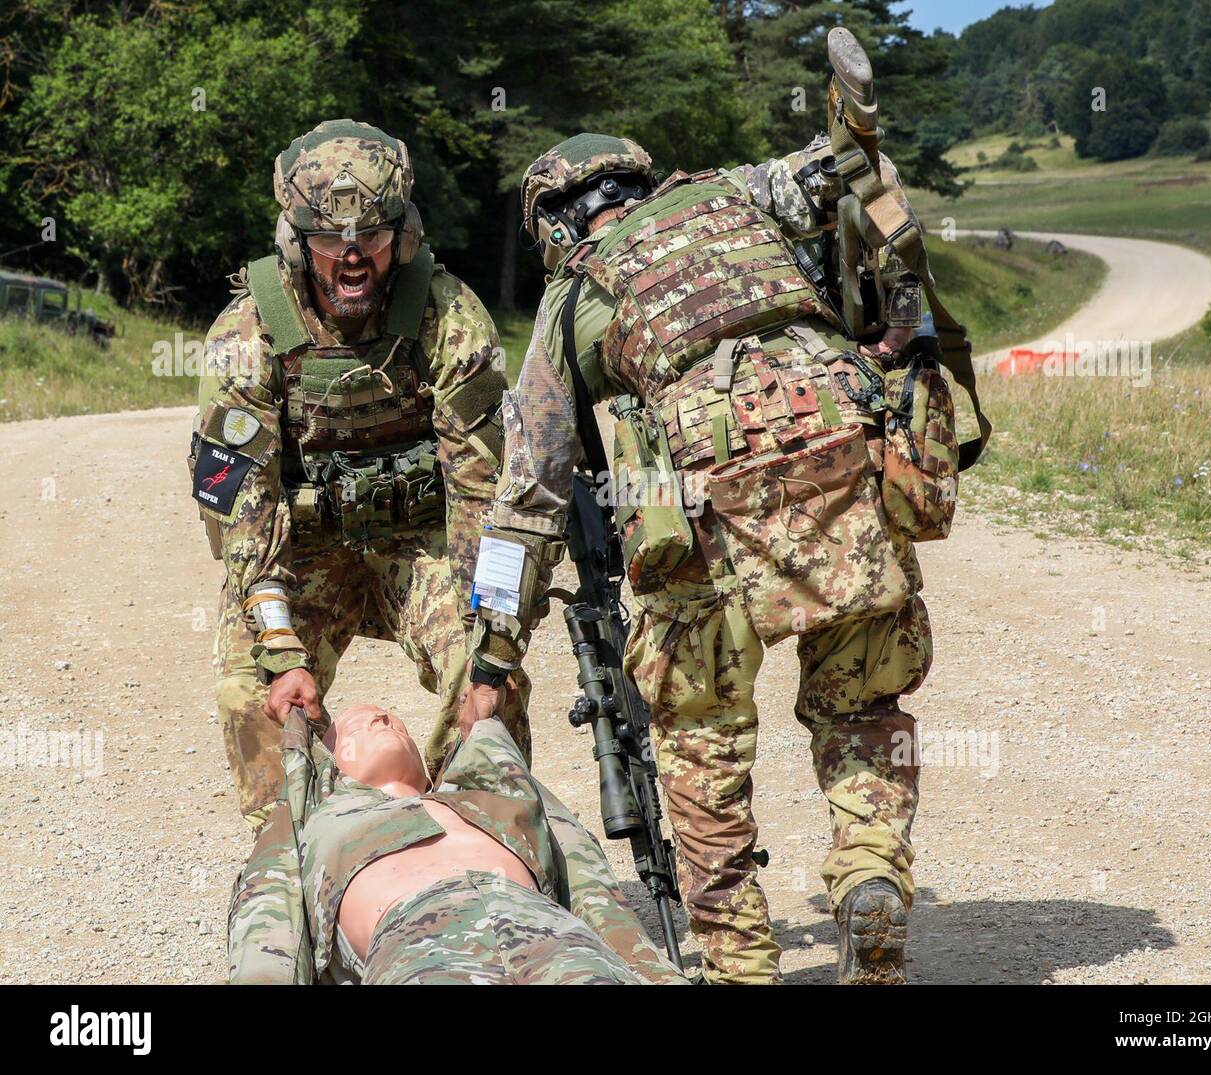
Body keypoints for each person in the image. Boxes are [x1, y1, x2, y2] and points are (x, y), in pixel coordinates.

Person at [458, 30, 988, 983]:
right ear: (641, 181)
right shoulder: (734, 194)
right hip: (842, 455)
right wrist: (850, 121)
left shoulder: (572, 297)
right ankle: (870, 874)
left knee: (700, 739)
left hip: (703, 508)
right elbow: (851, 168)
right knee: (863, 700)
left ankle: (740, 962)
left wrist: (493, 648)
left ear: (553, 227)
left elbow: (527, 500)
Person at [189, 119, 527, 829]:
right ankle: (299, 865)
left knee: (490, 674)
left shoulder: (448, 317)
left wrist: (493, 640)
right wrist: (282, 653)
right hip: (302, 547)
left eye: (371, 237)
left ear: (403, 236)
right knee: (254, 691)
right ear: (294, 240)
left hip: (423, 542)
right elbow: (242, 514)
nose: (350, 258)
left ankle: (481, 845)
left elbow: (486, 493)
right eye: (327, 241)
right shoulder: (246, 334)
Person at [228, 705, 687, 985]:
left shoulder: (491, 801)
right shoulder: (317, 820)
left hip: (549, 931)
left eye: (393, 721)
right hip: (417, 941)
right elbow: (268, 925)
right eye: (355, 728)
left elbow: (592, 888)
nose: (383, 719)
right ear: (331, 767)